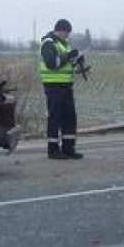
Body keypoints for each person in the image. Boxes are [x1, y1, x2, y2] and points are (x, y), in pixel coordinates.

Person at [38, 18, 83, 159]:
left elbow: (68, 64)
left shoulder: (65, 44)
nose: (68, 35)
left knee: (69, 118)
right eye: (66, 32)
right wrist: (69, 56)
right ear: (60, 30)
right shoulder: (48, 43)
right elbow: (52, 63)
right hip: (53, 87)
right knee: (55, 118)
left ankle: (68, 148)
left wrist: (78, 61)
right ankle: (53, 150)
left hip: (66, 86)